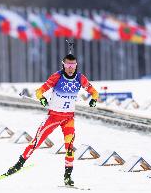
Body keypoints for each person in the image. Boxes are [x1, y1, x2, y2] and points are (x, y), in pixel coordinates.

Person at [6, 54, 99, 186]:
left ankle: (67, 177)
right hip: (53, 117)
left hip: (68, 118)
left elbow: (94, 92)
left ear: (76, 65)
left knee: (69, 147)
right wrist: (42, 98)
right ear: (63, 65)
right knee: (36, 142)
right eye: (68, 65)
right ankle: (18, 164)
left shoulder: (80, 78)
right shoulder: (57, 76)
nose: (70, 68)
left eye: (73, 65)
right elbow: (39, 91)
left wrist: (94, 100)